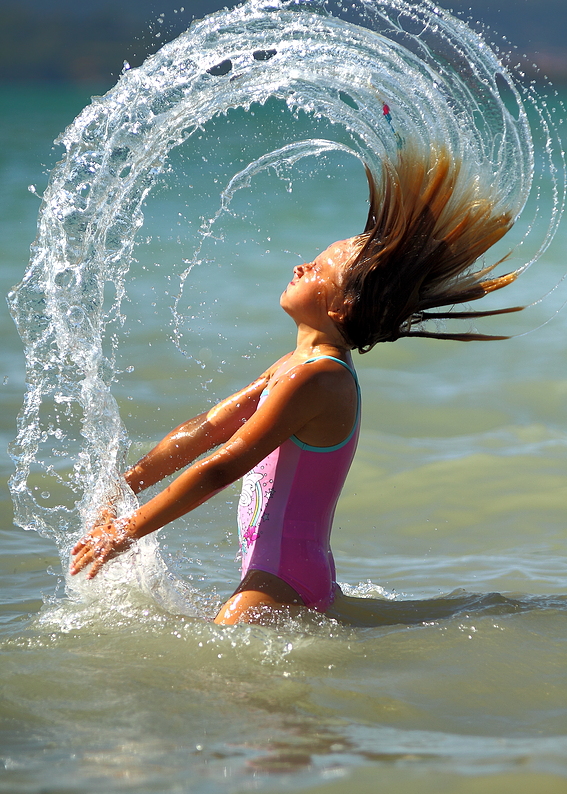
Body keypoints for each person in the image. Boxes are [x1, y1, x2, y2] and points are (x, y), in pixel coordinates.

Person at [70, 143, 523, 624]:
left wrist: (127, 531)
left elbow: (222, 465)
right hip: (285, 576)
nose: (300, 267)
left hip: (279, 584)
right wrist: (124, 487)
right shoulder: (296, 364)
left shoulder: (319, 378)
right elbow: (207, 428)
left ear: (340, 308)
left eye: (317, 269)